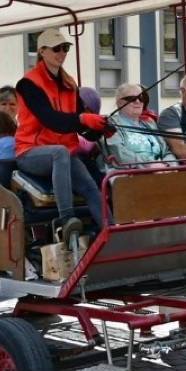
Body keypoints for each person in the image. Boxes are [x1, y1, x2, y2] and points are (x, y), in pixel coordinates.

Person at [15, 29, 111, 245]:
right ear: (42, 51)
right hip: (29, 152)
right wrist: (84, 120)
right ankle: (66, 219)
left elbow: (79, 124)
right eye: (56, 49)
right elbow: (52, 120)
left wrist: (99, 130)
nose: (62, 53)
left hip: (62, 153)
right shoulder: (28, 83)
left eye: (65, 48)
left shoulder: (69, 83)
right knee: (60, 153)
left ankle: (111, 233)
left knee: (90, 187)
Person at [103, 83, 175, 169]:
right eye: (132, 99)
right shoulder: (111, 123)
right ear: (120, 103)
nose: (138, 101)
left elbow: (166, 151)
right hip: (128, 175)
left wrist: (169, 165)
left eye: (141, 98)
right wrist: (149, 165)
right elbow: (119, 155)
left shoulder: (150, 124)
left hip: (162, 172)